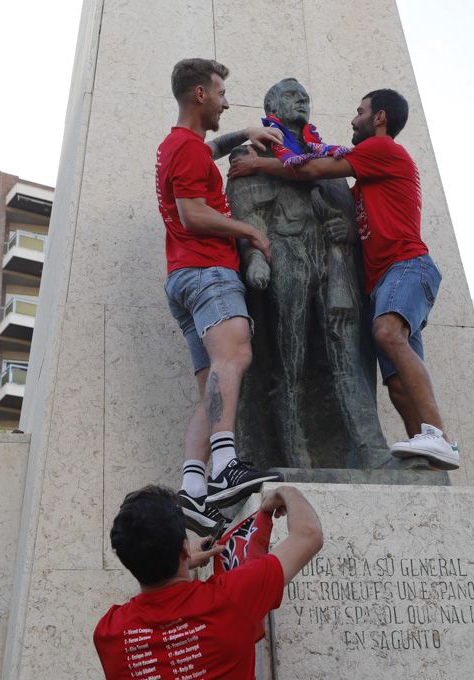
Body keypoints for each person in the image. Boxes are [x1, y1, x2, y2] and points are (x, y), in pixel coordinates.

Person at [228, 89, 459, 470]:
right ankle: (427, 459)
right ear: (272, 109)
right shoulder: (341, 163)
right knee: (393, 380)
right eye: (291, 95)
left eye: (360, 112)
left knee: (380, 341)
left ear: (379, 118)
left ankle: (435, 437)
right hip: (329, 270)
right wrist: (258, 252)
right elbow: (250, 208)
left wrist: (263, 167)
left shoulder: (369, 153)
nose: (353, 119)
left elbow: (316, 173)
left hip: (399, 269)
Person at [157, 58, 286, 534]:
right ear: (199, 94)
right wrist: (248, 230)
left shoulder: (179, 146)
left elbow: (208, 149)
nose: (227, 101)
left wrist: (244, 134)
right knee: (236, 357)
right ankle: (225, 468)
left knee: (212, 381)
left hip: (183, 278)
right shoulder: (185, 150)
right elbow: (193, 214)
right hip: (209, 270)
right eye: (222, 92)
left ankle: (192, 491)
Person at [94, 485, 323, 680]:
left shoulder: (109, 634)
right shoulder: (231, 597)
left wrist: (180, 561)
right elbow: (309, 534)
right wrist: (286, 492)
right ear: (185, 548)